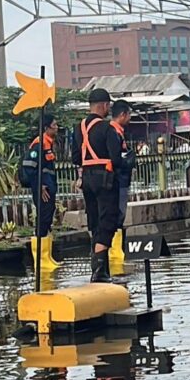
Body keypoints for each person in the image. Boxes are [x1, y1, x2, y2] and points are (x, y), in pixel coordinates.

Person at [72, 88, 126, 283]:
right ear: (104, 105)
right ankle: (100, 271)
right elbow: (116, 158)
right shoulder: (106, 128)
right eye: (108, 106)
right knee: (108, 220)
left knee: (94, 221)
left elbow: (75, 158)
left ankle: (99, 269)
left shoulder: (78, 128)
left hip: (87, 179)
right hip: (105, 180)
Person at [21, 113, 61, 271]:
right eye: (54, 125)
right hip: (43, 188)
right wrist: (40, 185)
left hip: (49, 186)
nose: (57, 128)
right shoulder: (39, 144)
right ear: (46, 128)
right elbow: (29, 167)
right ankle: (41, 261)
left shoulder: (48, 143)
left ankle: (47, 257)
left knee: (48, 217)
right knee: (42, 219)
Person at [107, 100, 136, 265]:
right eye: (129, 114)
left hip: (122, 180)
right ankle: (115, 253)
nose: (130, 118)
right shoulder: (113, 133)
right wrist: (127, 162)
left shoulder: (118, 132)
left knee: (120, 214)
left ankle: (117, 250)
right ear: (123, 114)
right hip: (118, 181)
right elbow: (116, 159)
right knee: (118, 214)